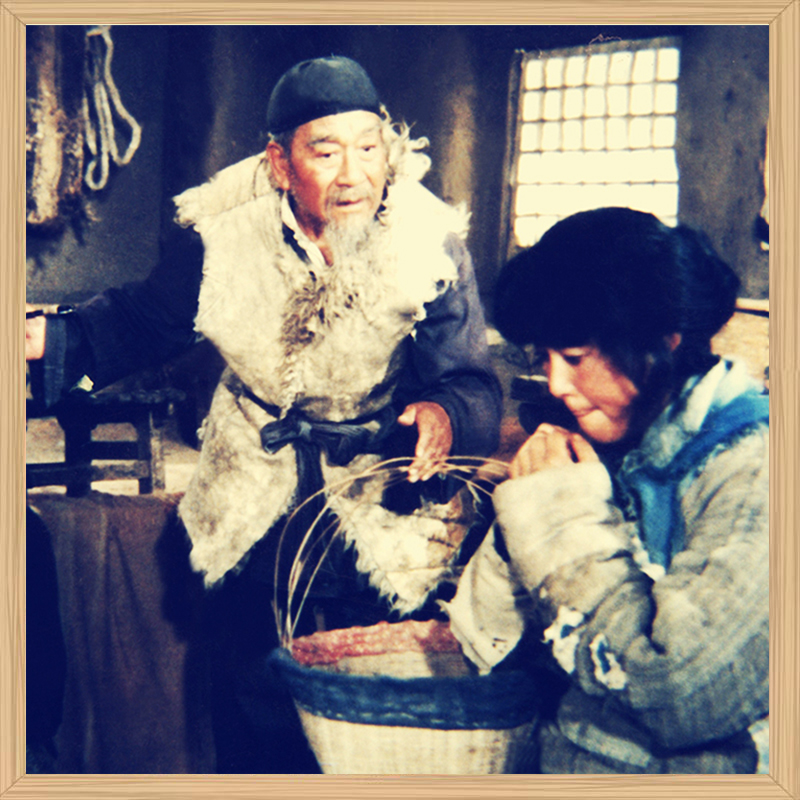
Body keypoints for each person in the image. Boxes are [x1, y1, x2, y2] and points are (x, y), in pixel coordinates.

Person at [26, 55, 502, 772]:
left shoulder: (428, 242)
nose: (353, 175)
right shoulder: (223, 237)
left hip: (378, 485)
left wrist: (443, 413)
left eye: (368, 148)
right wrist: (49, 338)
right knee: (250, 682)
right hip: (256, 475)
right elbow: (142, 320)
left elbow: (468, 377)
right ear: (280, 164)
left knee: (370, 685)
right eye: (326, 152)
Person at [442, 207, 769, 774]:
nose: (556, 383)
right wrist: (526, 513)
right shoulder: (606, 445)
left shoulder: (757, 467)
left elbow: (685, 692)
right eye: (544, 357)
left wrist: (561, 521)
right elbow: (481, 645)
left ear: (663, 341)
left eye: (574, 358)